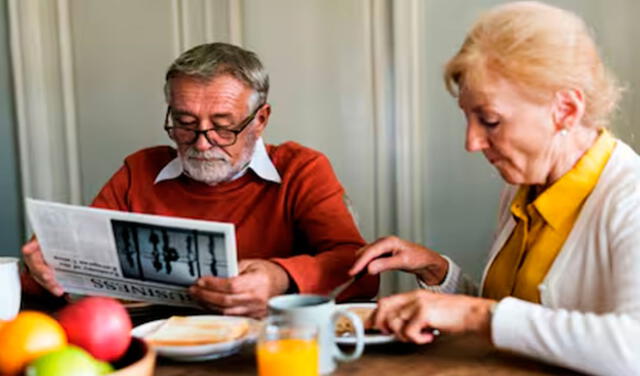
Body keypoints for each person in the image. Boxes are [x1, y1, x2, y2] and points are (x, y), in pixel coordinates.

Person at [350, 2, 640, 375]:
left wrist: (475, 314)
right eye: (468, 118)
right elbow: (513, 320)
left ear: (565, 109)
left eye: (489, 120)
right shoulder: (524, 188)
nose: (471, 142)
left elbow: (633, 348)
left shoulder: (629, 198)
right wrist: (439, 272)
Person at [22, 42, 378, 318]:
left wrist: (281, 278)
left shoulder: (302, 169)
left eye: (223, 126)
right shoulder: (139, 170)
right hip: (155, 347)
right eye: (185, 123)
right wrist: (49, 261)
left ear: (261, 119)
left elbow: (359, 267)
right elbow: (78, 261)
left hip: (269, 346)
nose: (202, 142)